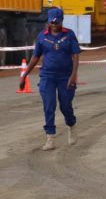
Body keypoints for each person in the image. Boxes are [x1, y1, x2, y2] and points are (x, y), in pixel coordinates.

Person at [19, 8, 80, 151]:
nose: (54, 25)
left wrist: (73, 75)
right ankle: (50, 138)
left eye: (56, 22)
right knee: (49, 105)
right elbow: (35, 57)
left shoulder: (69, 34)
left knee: (65, 106)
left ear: (61, 21)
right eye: (51, 22)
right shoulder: (42, 36)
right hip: (47, 76)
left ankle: (71, 125)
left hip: (65, 76)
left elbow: (76, 55)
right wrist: (24, 75)